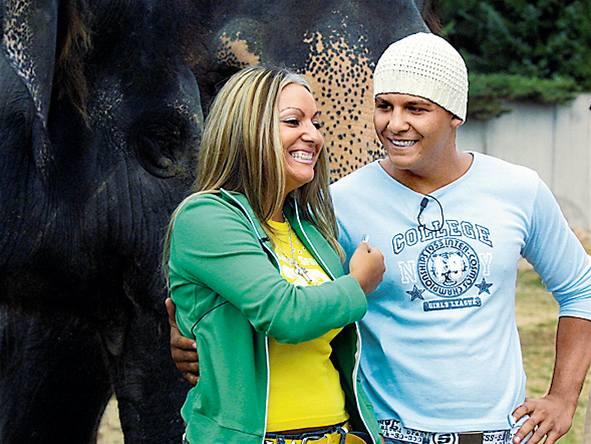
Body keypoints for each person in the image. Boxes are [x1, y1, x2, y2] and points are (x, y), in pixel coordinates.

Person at [169, 34, 591, 444]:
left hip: (499, 434)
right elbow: (277, 296)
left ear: (455, 114)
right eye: (385, 106)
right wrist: (192, 331)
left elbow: (581, 288)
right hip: (385, 433)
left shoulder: (518, 189)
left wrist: (563, 398)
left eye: (416, 108)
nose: (395, 124)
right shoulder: (337, 205)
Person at [163, 66, 385, 444]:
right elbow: (285, 315)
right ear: (247, 129)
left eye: (316, 122)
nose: (313, 135)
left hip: (339, 434)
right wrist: (358, 284)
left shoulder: (312, 230)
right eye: (293, 121)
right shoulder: (205, 217)